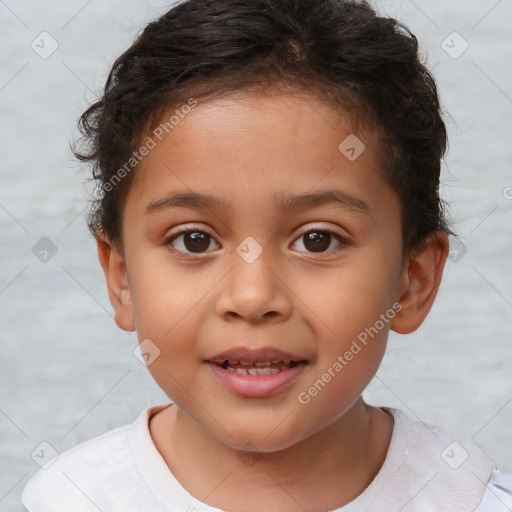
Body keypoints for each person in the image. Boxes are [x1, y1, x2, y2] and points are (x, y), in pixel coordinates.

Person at [20, 0, 512, 510]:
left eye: (318, 239)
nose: (252, 298)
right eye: (194, 240)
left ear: (413, 281)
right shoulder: (70, 499)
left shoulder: (472, 500)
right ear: (120, 277)